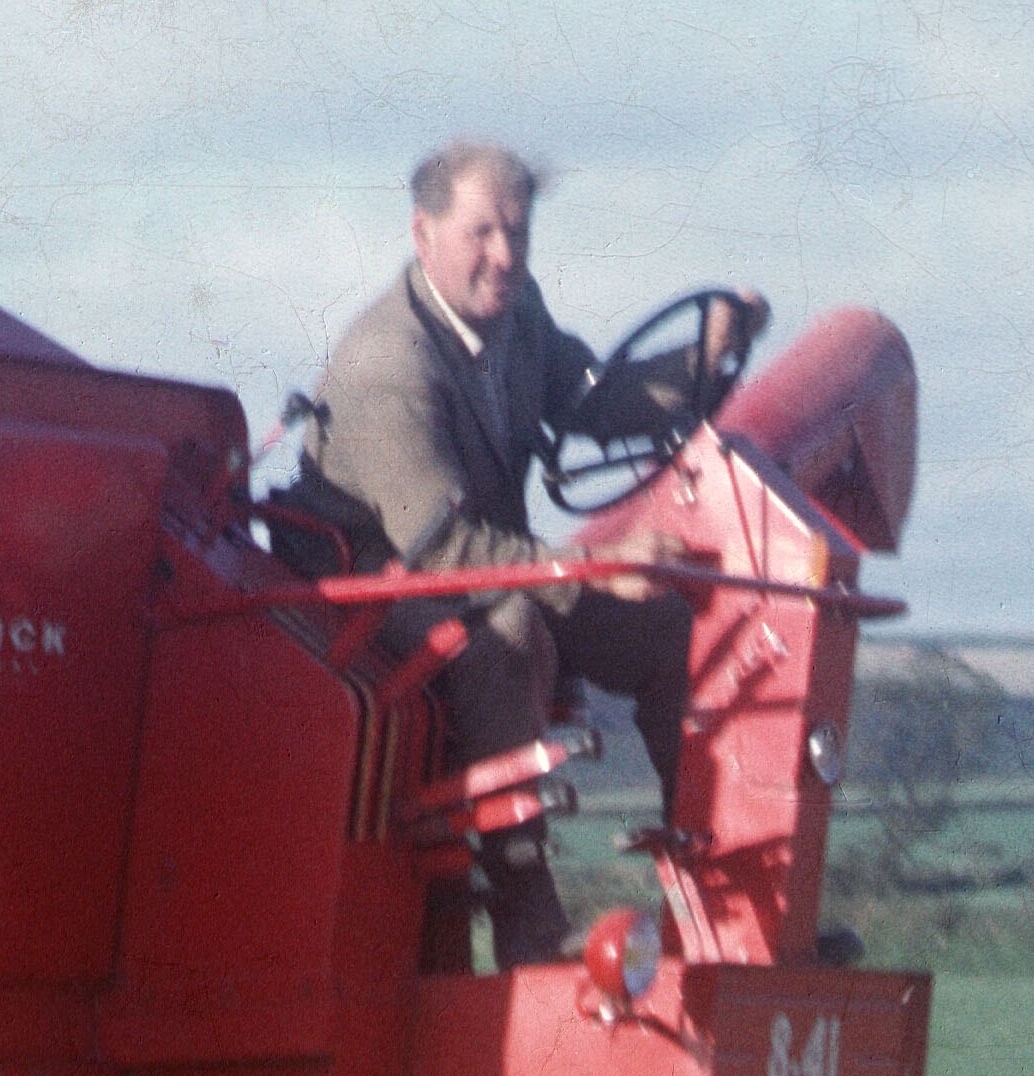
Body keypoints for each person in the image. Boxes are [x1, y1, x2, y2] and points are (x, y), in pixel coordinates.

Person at [310, 142, 763, 965]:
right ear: (423, 232)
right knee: (510, 634)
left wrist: (701, 359)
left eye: (517, 233)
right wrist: (592, 567)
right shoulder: (389, 364)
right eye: (481, 232)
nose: (505, 256)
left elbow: (590, 403)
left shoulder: (518, 320)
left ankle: (721, 906)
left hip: (493, 569)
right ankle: (527, 921)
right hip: (384, 594)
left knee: (668, 630)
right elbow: (438, 544)